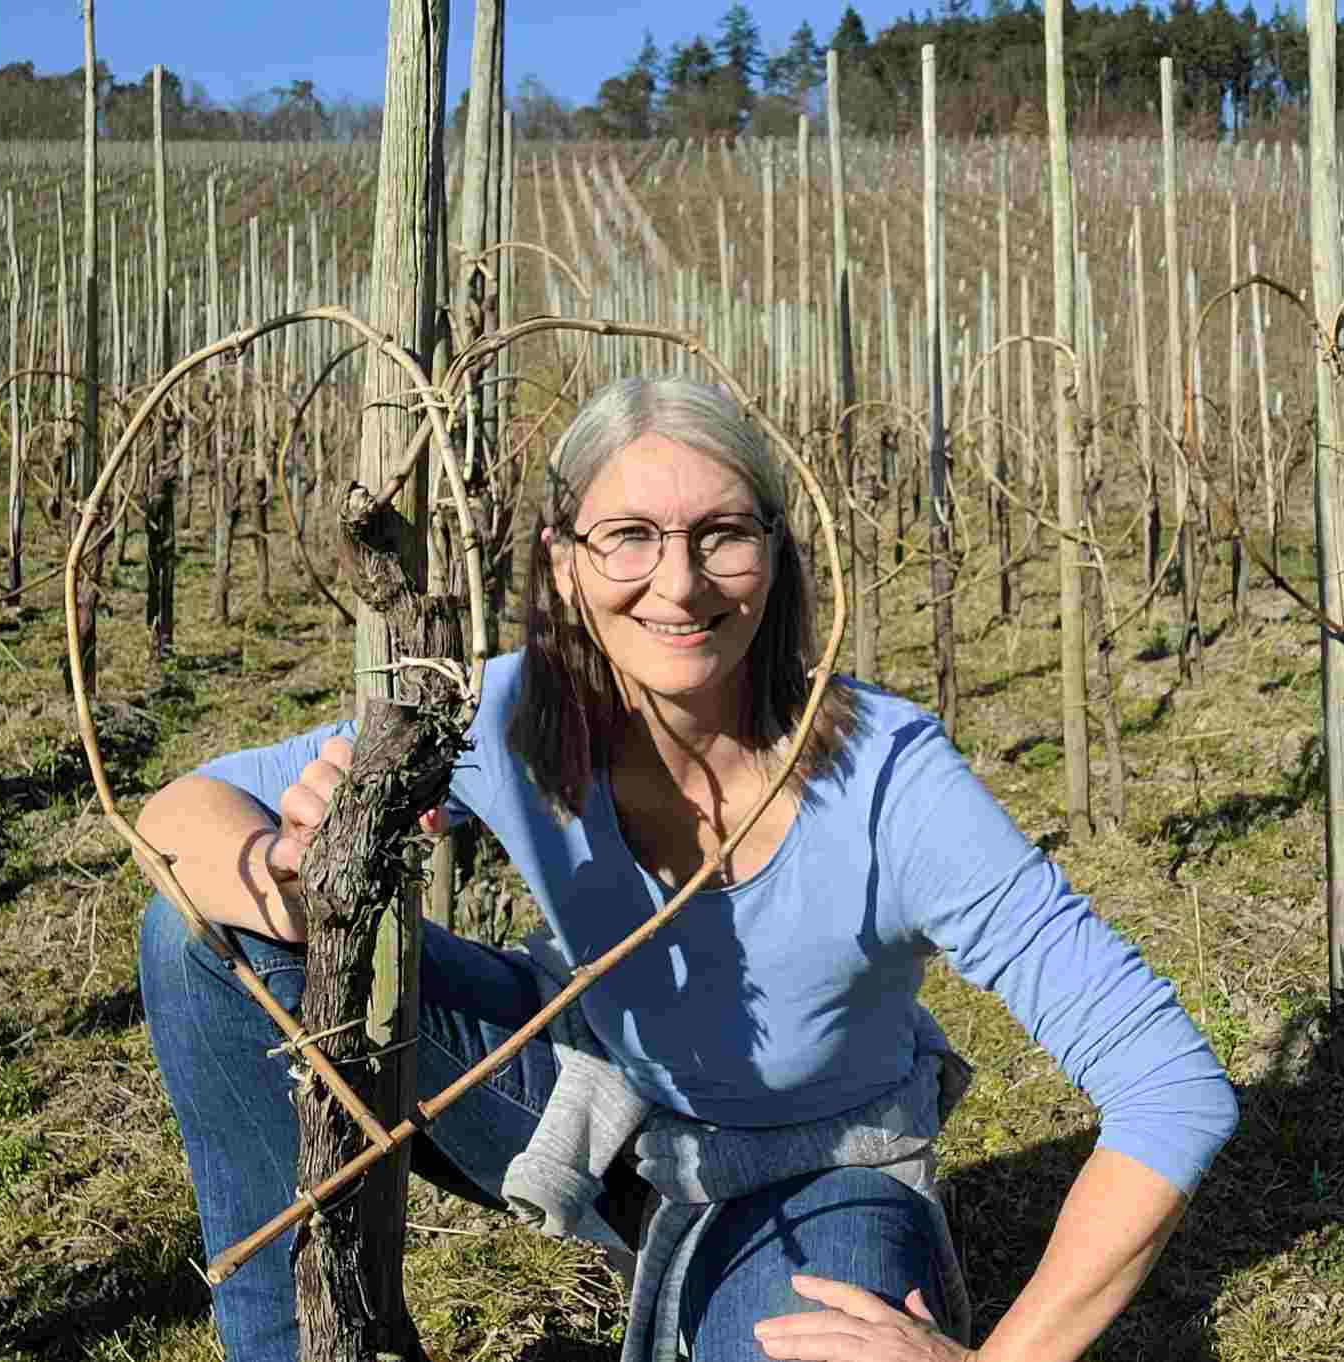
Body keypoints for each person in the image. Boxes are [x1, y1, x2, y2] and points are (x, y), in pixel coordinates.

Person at [136, 376, 1238, 1362]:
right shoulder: (513, 714)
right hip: (595, 1098)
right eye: (628, 536)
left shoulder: (890, 779)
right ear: (564, 563)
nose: (678, 583)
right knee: (199, 937)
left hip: (809, 1172)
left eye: (721, 534)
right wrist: (293, 869)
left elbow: (1169, 1084)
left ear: (776, 553)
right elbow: (179, 813)